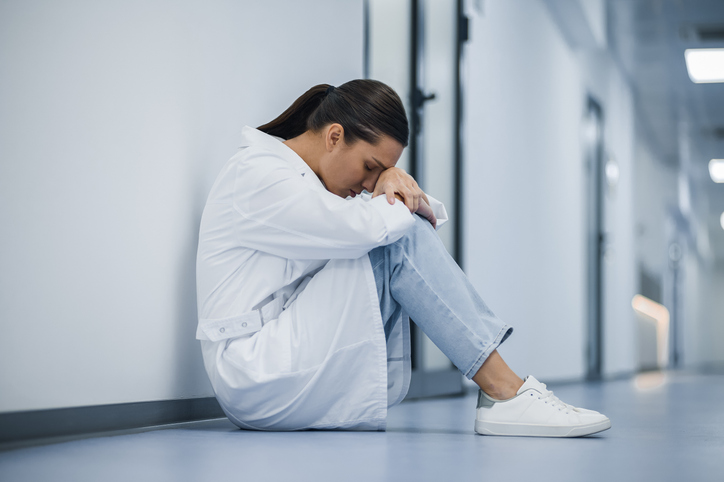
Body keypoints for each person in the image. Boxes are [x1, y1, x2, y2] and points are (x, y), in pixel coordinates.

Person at [195, 79, 611, 437]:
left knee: (400, 231)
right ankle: (504, 391)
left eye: (380, 173)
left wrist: (394, 183)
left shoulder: (310, 181)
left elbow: (400, 220)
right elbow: (371, 229)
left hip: (283, 352)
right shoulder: (257, 175)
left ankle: (505, 392)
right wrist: (396, 188)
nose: (368, 184)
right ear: (334, 136)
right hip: (252, 372)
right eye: (370, 167)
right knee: (396, 237)